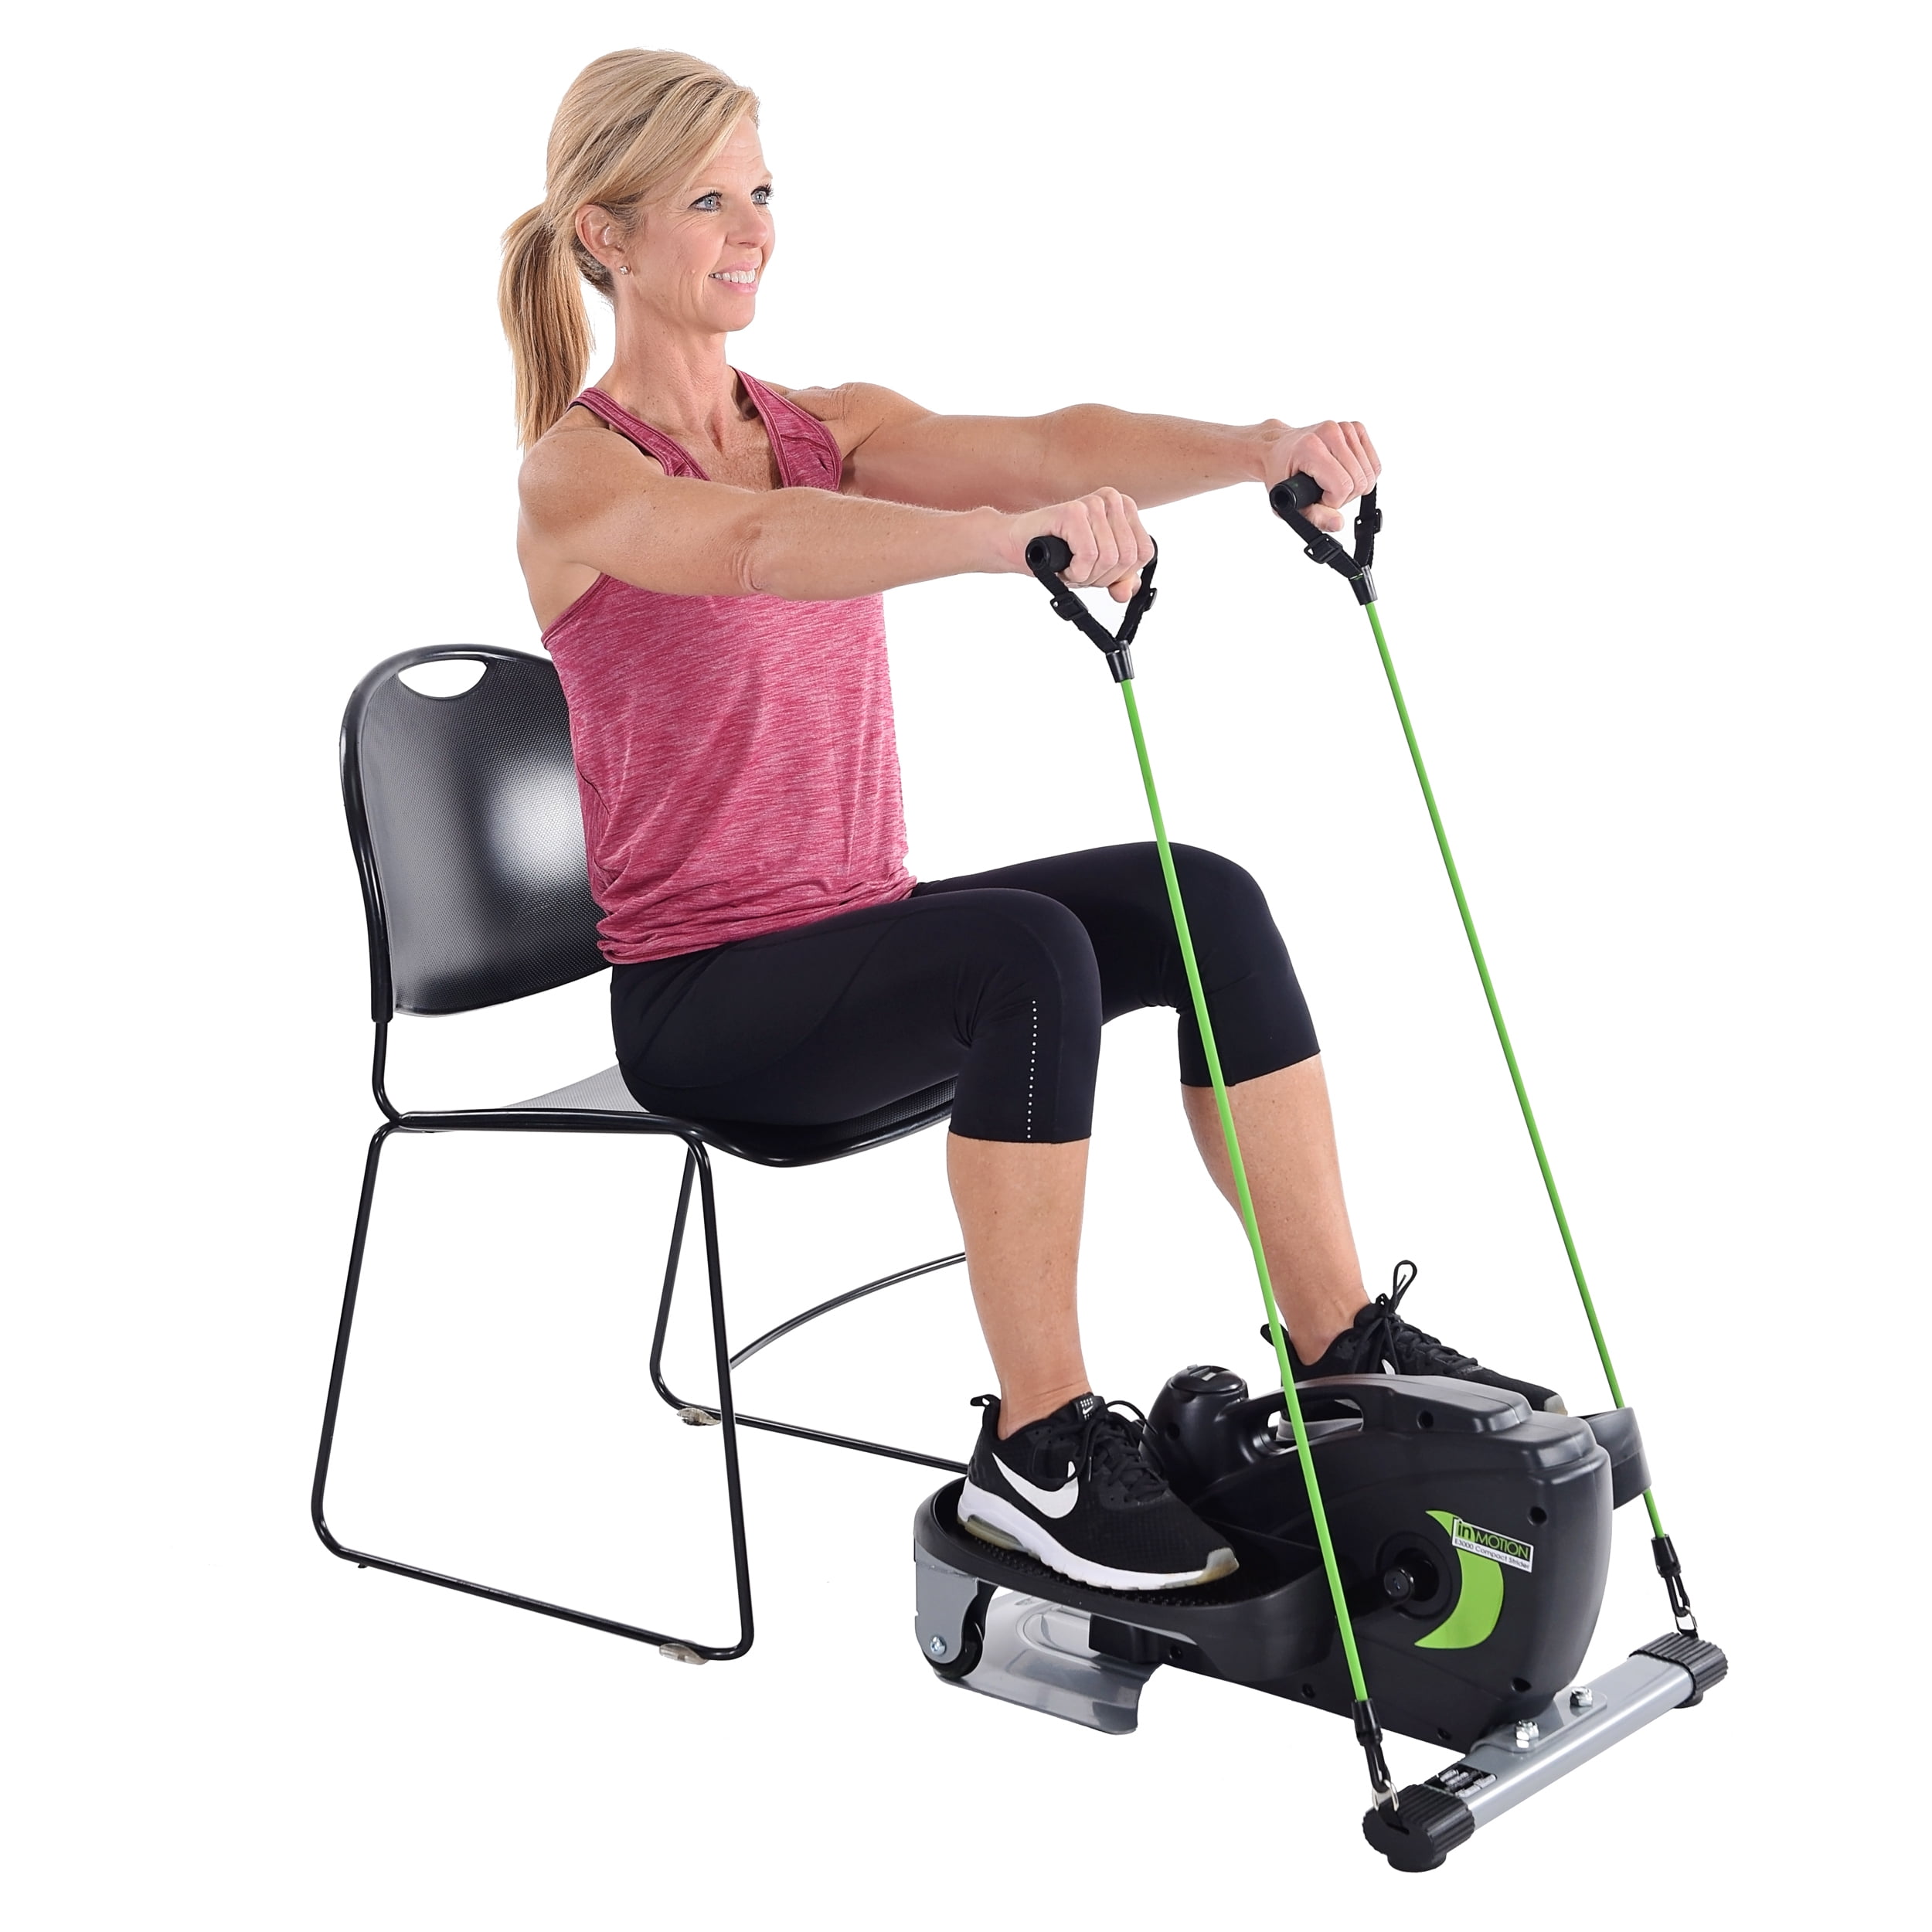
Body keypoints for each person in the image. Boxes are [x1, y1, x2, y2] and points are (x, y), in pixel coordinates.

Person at [501, 49, 1562, 1595]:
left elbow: (1058, 442)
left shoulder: (821, 423)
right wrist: (999, 545)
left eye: (762, 192)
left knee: (1195, 897)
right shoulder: (577, 477)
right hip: (706, 1006)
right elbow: (755, 545)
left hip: (852, 942)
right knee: (1027, 953)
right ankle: (1040, 1446)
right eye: (706, 202)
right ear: (604, 233)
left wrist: (1254, 453)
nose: (752, 230)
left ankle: (1342, 1357)